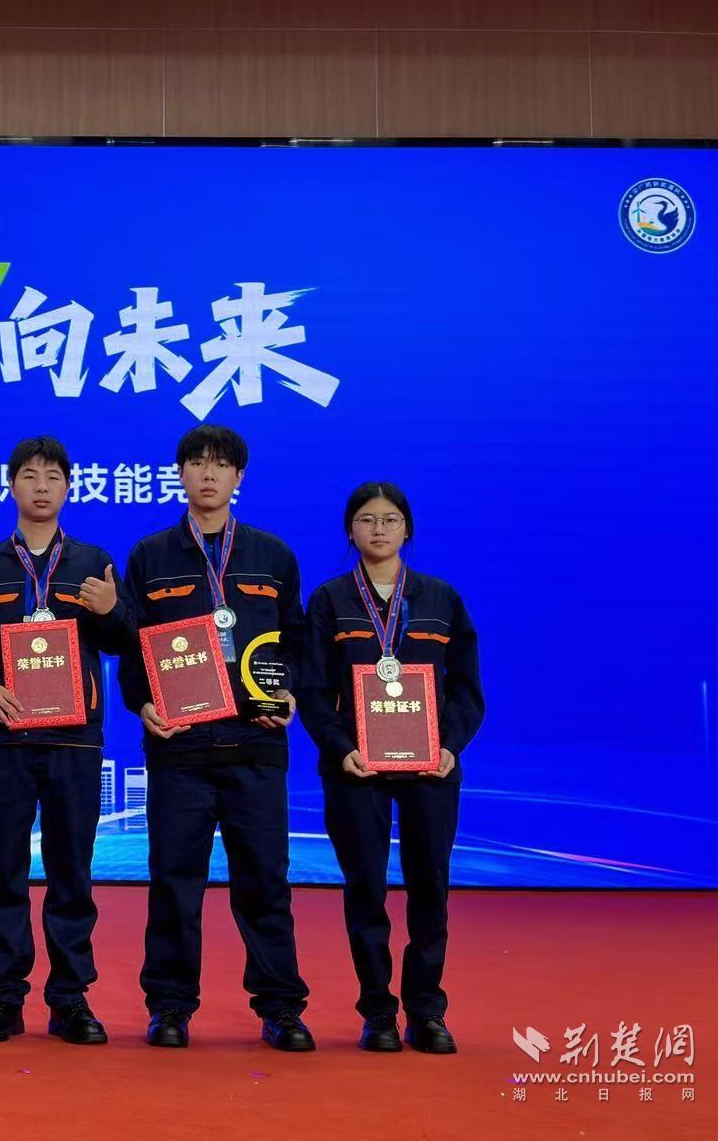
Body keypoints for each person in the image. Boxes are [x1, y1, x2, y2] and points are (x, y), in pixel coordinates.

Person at [116, 424, 315, 1052]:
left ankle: (281, 1008)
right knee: (175, 881)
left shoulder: (273, 555)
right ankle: (170, 1006)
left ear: (238, 477)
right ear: (180, 473)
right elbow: (132, 647)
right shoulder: (151, 555)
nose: (208, 474)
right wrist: (143, 704)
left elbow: (297, 643)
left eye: (221, 464)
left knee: (266, 882)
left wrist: (290, 694)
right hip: (180, 748)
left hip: (256, 745)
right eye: (197, 463)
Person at [0, 436, 135, 1045]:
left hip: (74, 740)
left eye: (53, 476)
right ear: (11, 486)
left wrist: (111, 610)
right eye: (30, 475)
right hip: (4, 739)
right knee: (4, 869)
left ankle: (71, 998)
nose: (42, 486)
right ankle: (3, 996)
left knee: (71, 869)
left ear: (69, 487)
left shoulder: (95, 563)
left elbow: (126, 643)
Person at [297, 482, 483, 1055]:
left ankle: (426, 1011)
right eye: (366, 519)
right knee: (366, 888)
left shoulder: (440, 598)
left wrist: (450, 745)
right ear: (349, 530)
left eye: (390, 519)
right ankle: (377, 1011)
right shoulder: (330, 600)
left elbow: (467, 688)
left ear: (408, 529)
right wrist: (338, 747)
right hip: (356, 768)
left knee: (430, 886)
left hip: (431, 769)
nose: (378, 529)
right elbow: (311, 687)